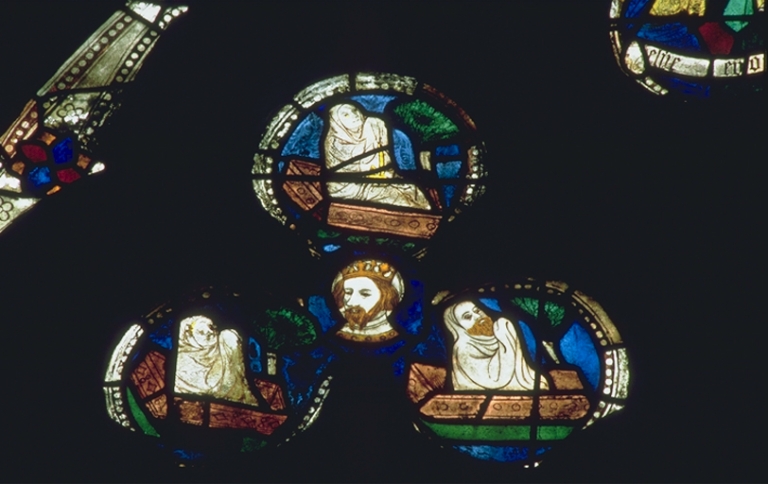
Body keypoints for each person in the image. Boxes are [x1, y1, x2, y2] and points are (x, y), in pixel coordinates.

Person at [324, 103, 431, 210]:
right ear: (337, 122)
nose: (354, 115)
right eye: (346, 115)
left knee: (414, 192)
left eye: (355, 110)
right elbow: (341, 174)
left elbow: (387, 153)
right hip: (351, 187)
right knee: (401, 200)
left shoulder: (374, 124)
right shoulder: (334, 144)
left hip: (384, 177)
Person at [444, 301, 548, 391]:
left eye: (477, 310)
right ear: (459, 327)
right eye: (467, 317)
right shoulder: (463, 348)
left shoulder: (499, 333)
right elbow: (492, 382)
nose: (477, 316)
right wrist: (506, 339)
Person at [174, 315, 259, 405]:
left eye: (211, 328)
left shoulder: (225, 346)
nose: (209, 332)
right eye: (201, 332)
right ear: (189, 337)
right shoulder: (181, 363)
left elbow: (234, 382)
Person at [331, 260, 404, 342]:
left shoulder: (399, 336)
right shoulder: (336, 335)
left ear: (387, 298)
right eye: (348, 292)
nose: (350, 302)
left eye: (365, 294)